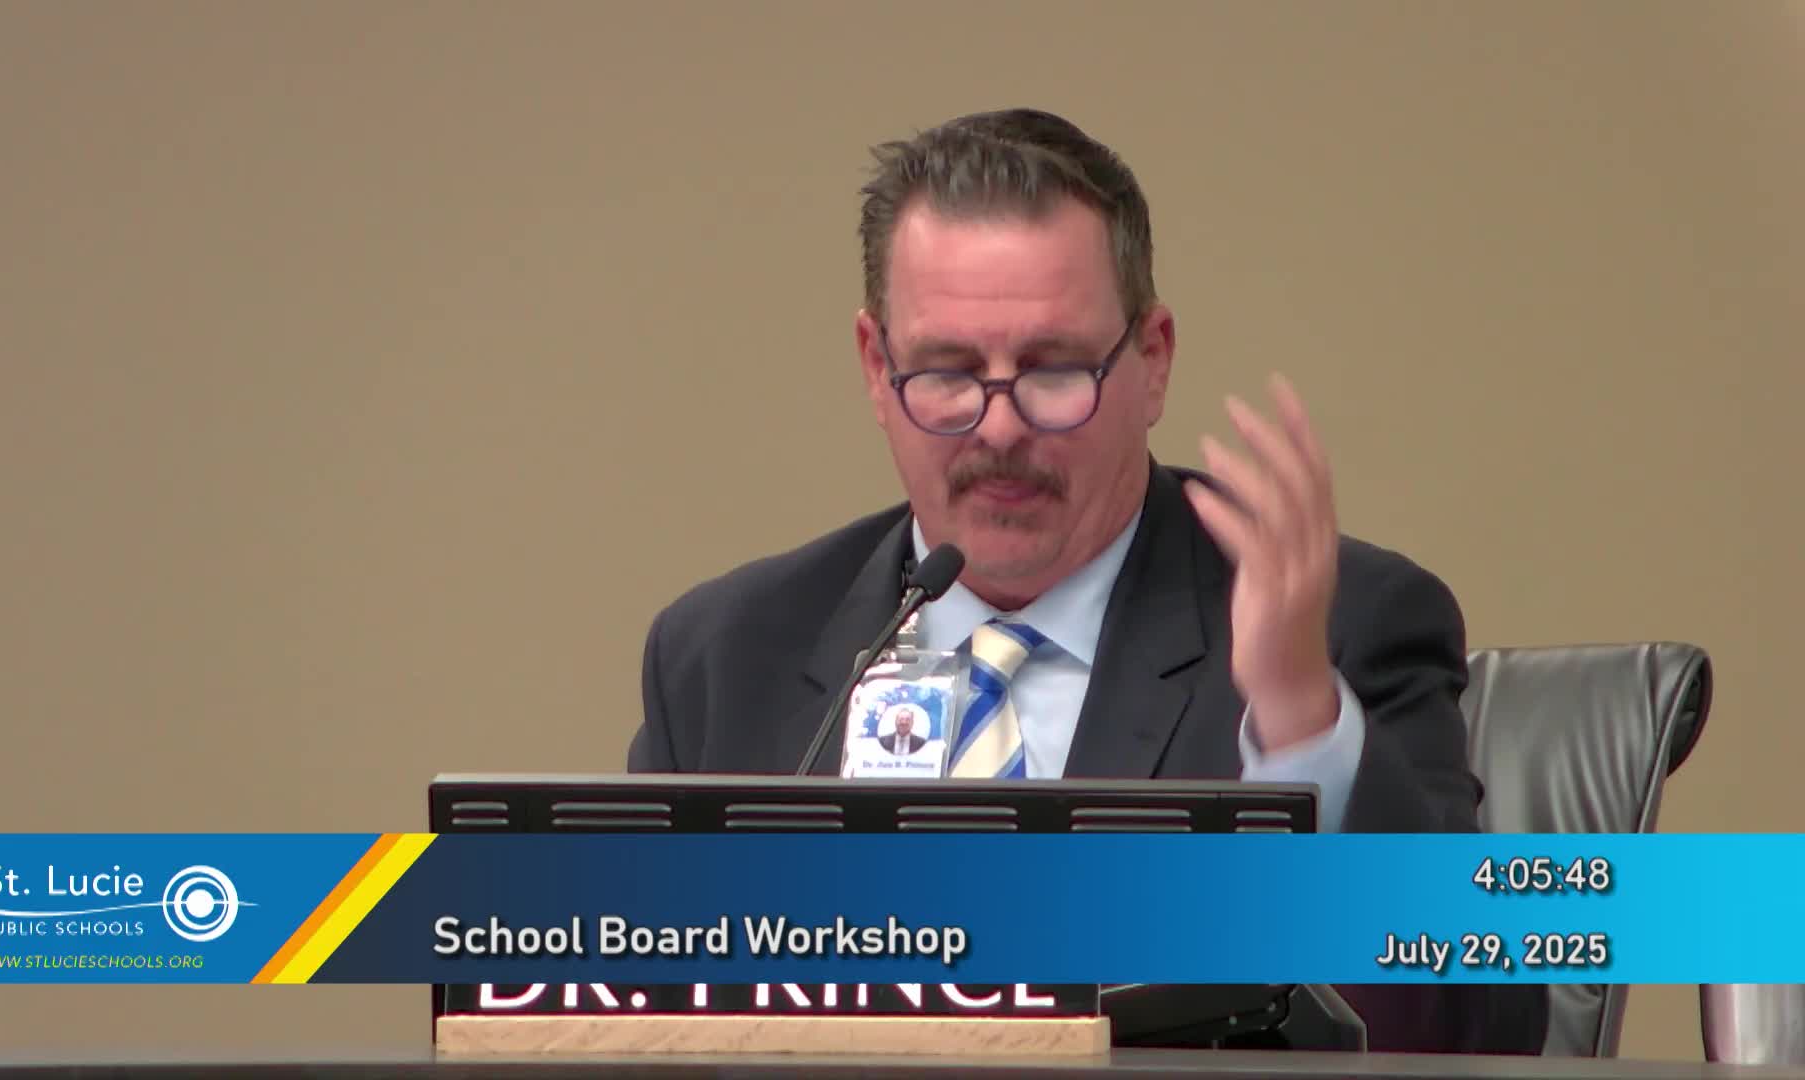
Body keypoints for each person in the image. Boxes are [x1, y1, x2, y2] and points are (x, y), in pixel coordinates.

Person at [627, 107, 1547, 1055]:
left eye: (1054, 370)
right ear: (875, 366)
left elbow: (1484, 1033)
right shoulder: (727, 660)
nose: (999, 428)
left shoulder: (1345, 630)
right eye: (947, 372)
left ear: (1152, 361)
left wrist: (1300, 723)